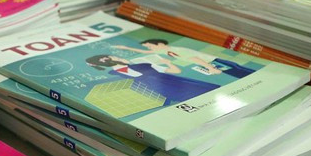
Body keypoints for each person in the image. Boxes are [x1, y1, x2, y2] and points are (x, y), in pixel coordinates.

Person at [85, 54, 218, 105]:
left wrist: (168, 63)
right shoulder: (114, 77)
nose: (121, 58)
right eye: (116, 57)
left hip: (177, 84)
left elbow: (175, 71)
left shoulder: (144, 65)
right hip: (163, 93)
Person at [112, 38, 255, 79]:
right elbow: (142, 50)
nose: (150, 49)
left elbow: (194, 58)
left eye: (150, 46)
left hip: (214, 62)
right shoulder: (167, 52)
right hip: (212, 63)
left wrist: (210, 68)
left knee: (240, 72)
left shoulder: (175, 50)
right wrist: (126, 48)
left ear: (160, 44)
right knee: (239, 73)